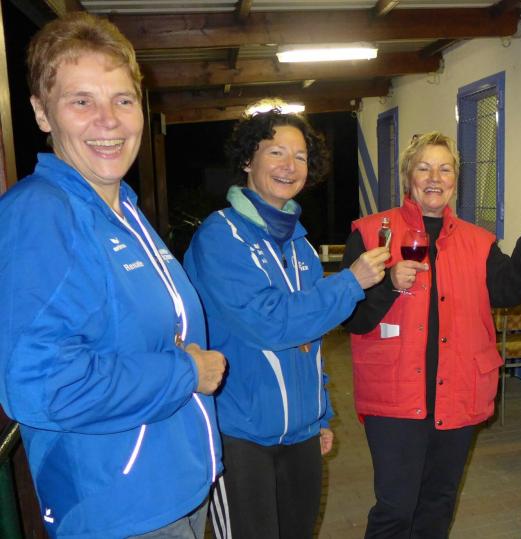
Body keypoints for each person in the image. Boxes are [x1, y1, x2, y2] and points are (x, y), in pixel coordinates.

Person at [0, 13, 226, 538]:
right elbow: (42, 385)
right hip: (121, 510)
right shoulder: (42, 213)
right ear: (41, 112)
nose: (109, 121)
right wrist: (184, 373)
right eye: (81, 101)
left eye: (123, 100)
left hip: (174, 487)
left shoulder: (122, 209)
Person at [183, 110, 389, 538]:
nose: (289, 166)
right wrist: (350, 282)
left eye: (300, 156)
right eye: (276, 152)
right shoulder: (221, 237)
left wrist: (320, 415)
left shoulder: (300, 247)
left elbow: (309, 340)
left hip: (300, 433)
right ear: (247, 160)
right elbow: (269, 323)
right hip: (239, 434)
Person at [341, 131, 521, 537]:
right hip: (394, 397)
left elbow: (510, 290)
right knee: (396, 508)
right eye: (424, 168)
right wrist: (388, 284)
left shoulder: (478, 241)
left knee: (438, 504)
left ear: (456, 179)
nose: (435, 178)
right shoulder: (370, 234)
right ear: (409, 176)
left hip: (457, 392)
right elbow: (351, 318)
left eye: (445, 169)